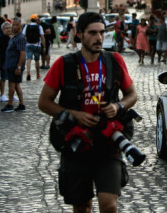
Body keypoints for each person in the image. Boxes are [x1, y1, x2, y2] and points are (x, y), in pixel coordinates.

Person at [38, 12, 138, 212]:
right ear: (79, 34)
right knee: (82, 207)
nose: (99, 38)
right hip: (77, 143)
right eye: (92, 33)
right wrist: (75, 114)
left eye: (102, 32)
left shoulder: (114, 60)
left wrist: (118, 106)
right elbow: (44, 102)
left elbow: (132, 95)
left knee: (109, 205)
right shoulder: (64, 64)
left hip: (108, 142)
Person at [2, 18, 26, 113]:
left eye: (16, 25)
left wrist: (19, 67)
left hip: (15, 65)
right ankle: (21, 104)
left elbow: (22, 53)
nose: (14, 27)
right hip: (11, 64)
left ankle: (10, 104)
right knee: (16, 85)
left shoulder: (20, 38)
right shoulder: (14, 37)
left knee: (12, 85)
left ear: (20, 26)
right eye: (13, 25)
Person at [0, 21, 12, 102]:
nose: (8, 30)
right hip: (3, 60)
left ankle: (10, 94)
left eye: (9, 28)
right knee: (3, 78)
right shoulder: (0, 38)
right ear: (3, 29)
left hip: (10, 61)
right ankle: (2, 94)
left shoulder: (11, 38)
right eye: (6, 28)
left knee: (11, 79)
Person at [24, 15, 45, 80]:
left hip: (28, 44)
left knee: (28, 59)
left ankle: (28, 73)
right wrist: (44, 46)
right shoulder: (39, 27)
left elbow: (23, 36)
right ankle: (38, 74)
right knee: (37, 60)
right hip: (37, 45)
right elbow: (42, 37)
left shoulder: (27, 26)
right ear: (36, 20)